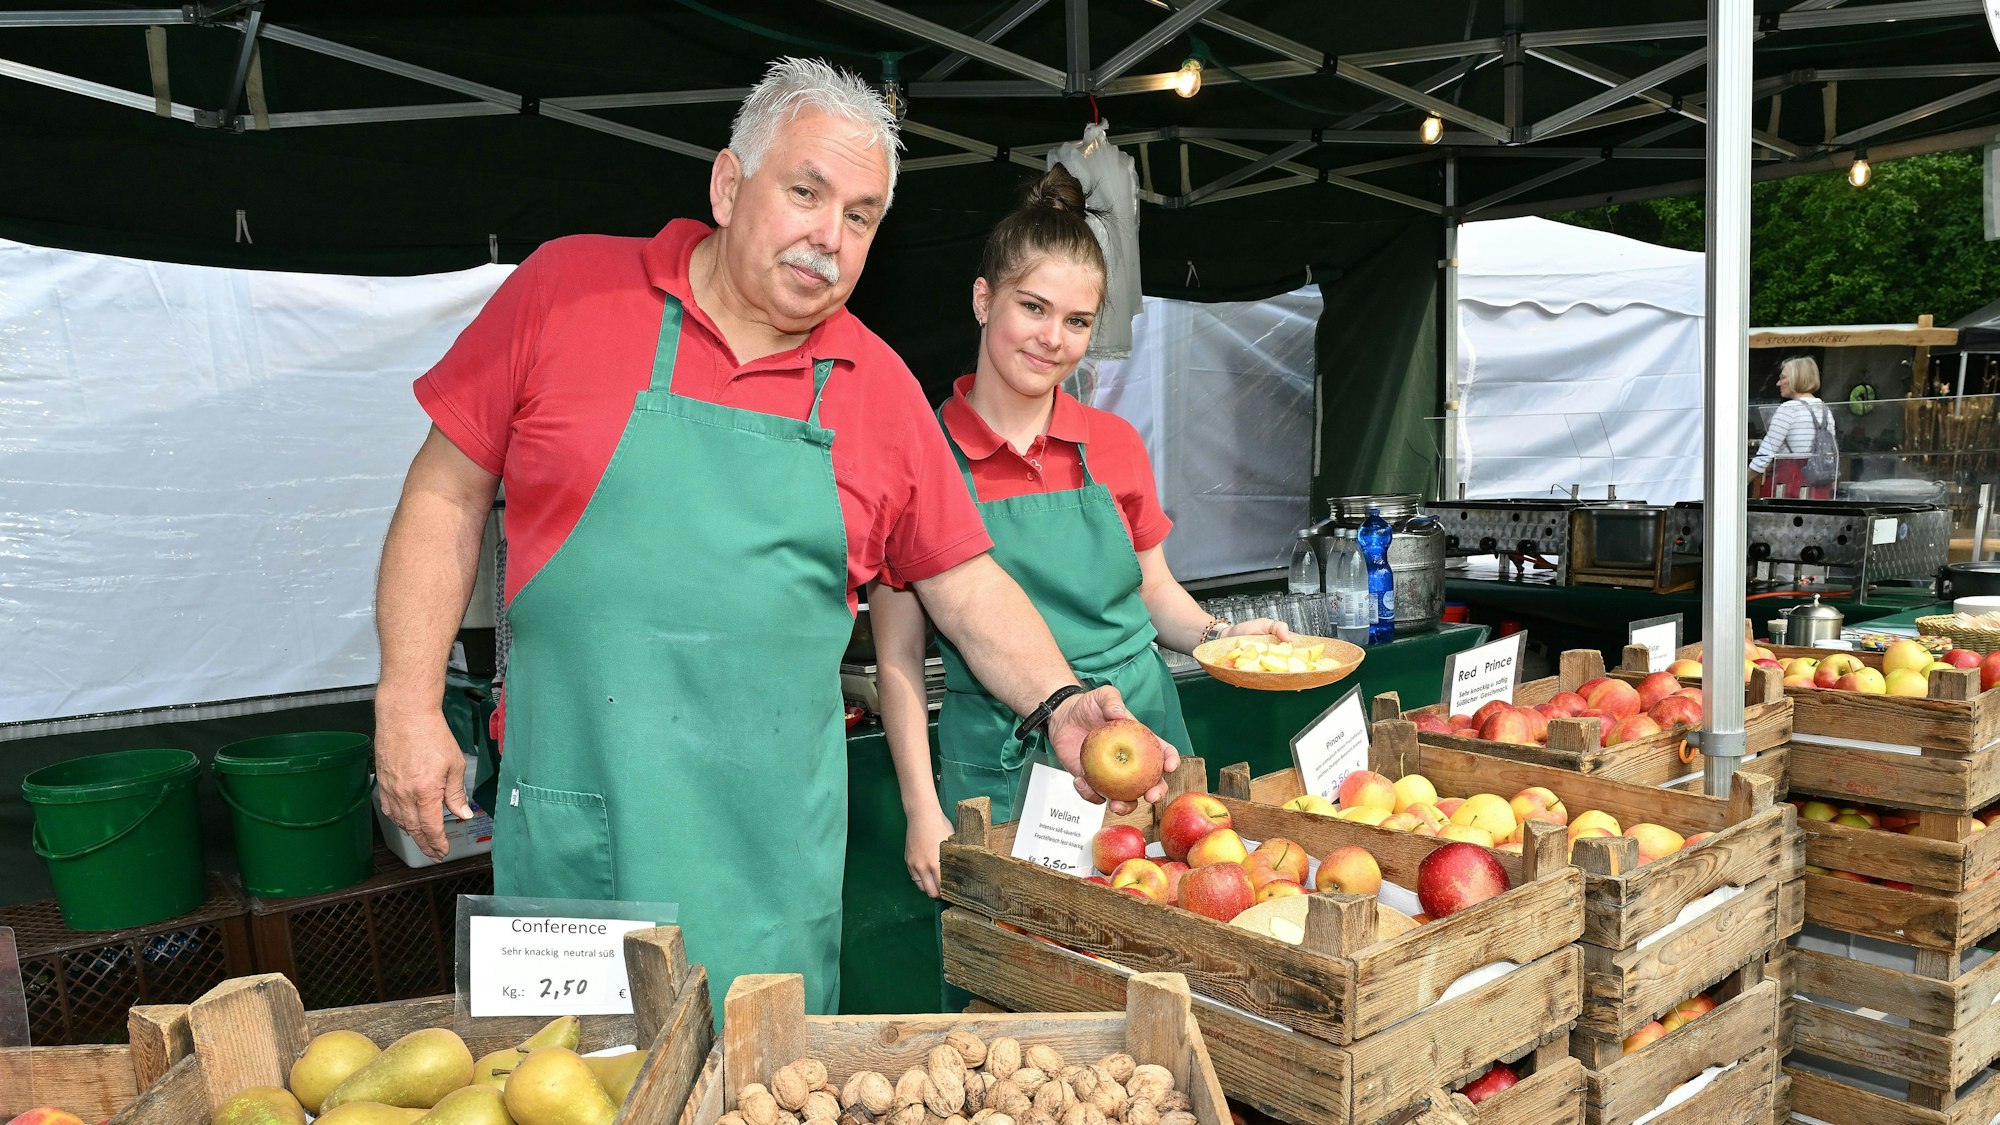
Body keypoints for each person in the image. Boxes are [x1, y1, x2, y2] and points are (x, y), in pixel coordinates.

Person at [370, 58, 1176, 1017]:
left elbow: (963, 579)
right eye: (806, 192)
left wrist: (1061, 700)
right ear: (726, 184)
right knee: (565, 1086)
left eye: (862, 215)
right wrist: (409, 702)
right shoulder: (566, 289)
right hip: (583, 838)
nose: (828, 237)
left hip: (765, 864)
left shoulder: (876, 387)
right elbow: (445, 495)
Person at [874, 166, 1290, 897]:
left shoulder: (1117, 444)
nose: (1052, 339)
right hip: (1006, 760)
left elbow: (1154, 589)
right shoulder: (921, 459)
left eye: (1076, 321)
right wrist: (921, 808)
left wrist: (1223, 638)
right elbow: (899, 658)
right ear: (982, 299)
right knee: (1022, 971)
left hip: (1145, 739)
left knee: (1178, 936)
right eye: (1033, 307)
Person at [1749, 355, 1839, 500]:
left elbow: (1766, 453)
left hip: (1788, 487)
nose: (1778, 383)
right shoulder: (1825, 409)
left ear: (1797, 378)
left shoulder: (1789, 409)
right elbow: (1832, 453)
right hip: (1820, 490)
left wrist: (1741, 483)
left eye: (1783, 378)